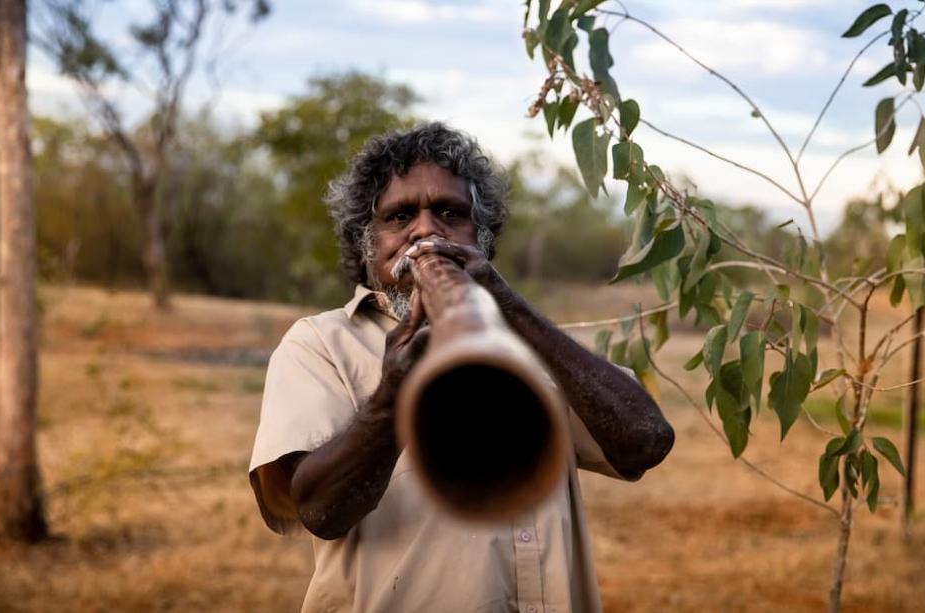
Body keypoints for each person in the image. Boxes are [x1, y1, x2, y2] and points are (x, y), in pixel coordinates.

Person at [248, 122, 674, 613]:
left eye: (451, 213)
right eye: (400, 216)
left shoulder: (527, 339)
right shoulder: (320, 344)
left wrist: (510, 307)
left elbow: (646, 441)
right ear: (370, 246)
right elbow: (320, 510)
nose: (426, 231)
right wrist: (391, 397)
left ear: (482, 239)